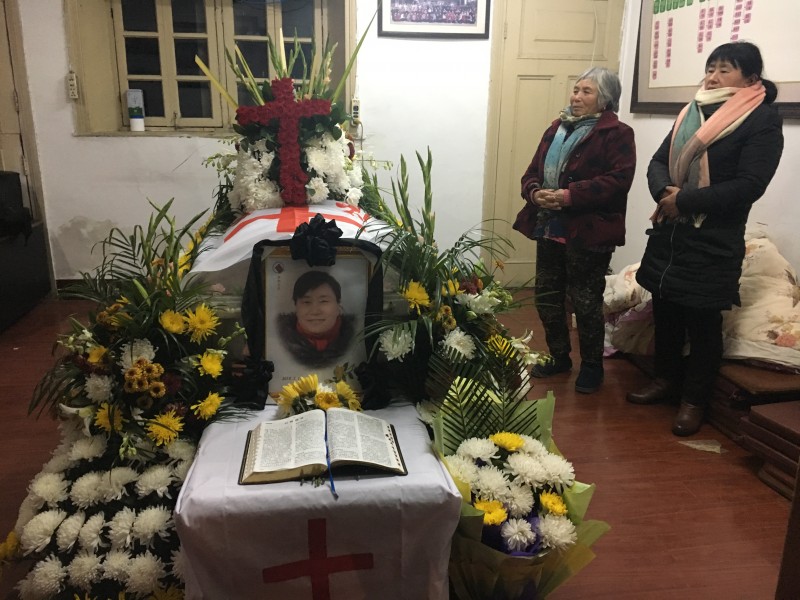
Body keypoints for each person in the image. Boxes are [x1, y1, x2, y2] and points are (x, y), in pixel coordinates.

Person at [627, 41, 784, 436]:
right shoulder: (692, 111)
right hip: (671, 231)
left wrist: (687, 200)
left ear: (751, 78)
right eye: (710, 68)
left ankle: (694, 400)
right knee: (665, 310)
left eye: (725, 69)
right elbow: (658, 161)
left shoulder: (761, 120)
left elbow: (750, 184)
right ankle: (665, 381)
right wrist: (666, 195)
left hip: (713, 237)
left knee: (702, 323)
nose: (713, 77)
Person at [514, 66, 636, 394]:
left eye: (586, 92)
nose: (576, 96)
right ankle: (559, 356)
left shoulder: (618, 133)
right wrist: (536, 192)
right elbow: (531, 172)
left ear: (605, 99)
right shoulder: (557, 128)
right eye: (576, 90)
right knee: (548, 296)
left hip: (590, 231)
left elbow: (618, 180)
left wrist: (570, 196)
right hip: (550, 225)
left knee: (585, 300)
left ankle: (592, 365)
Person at [277, 270, 356, 368]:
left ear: (338, 306)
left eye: (323, 301)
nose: (315, 311)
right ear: (296, 307)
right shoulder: (279, 341)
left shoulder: (356, 337)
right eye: (306, 302)